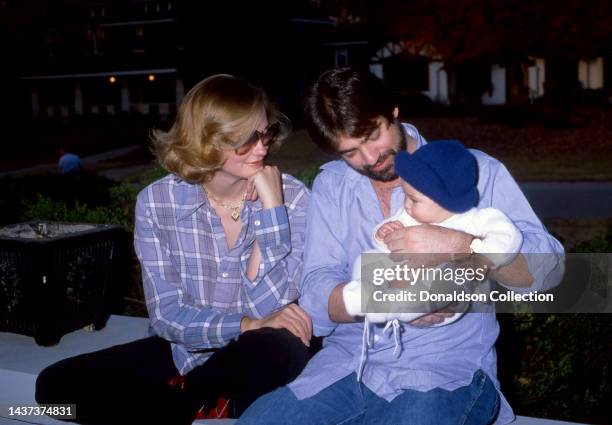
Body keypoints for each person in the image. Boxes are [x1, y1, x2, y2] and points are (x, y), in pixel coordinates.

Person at [237, 68, 565, 425]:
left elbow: (549, 272)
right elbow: (316, 295)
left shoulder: (472, 171)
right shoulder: (333, 185)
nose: (369, 159)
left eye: (372, 135)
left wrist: (461, 245)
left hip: (447, 373)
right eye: (350, 153)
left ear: (393, 111)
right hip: (349, 365)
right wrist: (389, 302)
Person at [35, 74, 314, 424]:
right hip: (185, 349)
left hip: (259, 352)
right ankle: (193, 401)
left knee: (280, 347)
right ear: (206, 142)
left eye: (264, 133)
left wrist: (271, 214)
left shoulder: (294, 199)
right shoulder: (156, 203)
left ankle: (181, 401)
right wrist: (247, 323)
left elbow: (271, 312)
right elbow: (167, 317)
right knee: (54, 387)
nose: (262, 148)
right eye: (244, 141)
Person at [344, 140, 523, 326]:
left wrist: (477, 251)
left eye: (413, 199)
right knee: (366, 259)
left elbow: (509, 237)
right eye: (405, 196)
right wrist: (385, 234)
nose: (406, 204)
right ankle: (366, 292)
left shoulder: (476, 219)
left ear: (445, 201)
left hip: (449, 292)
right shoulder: (410, 214)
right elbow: (389, 249)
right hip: (403, 276)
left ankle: (390, 306)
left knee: (445, 278)